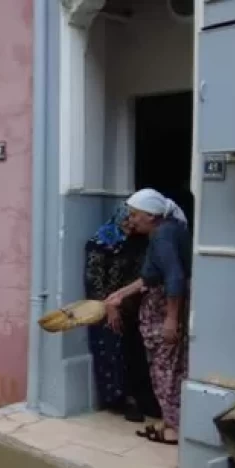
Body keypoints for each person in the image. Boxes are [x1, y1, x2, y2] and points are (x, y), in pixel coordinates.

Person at [103, 188, 192, 445]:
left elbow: (174, 277)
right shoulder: (167, 230)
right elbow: (152, 276)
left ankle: (173, 428)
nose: (132, 219)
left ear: (151, 216)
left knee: (165, 368)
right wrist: (120, 294)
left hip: (164, 308)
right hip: (162, 302)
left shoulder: (163, 235)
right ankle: (168, 420)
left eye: (135, 214)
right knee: (168, 366)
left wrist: (171, 319)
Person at [83, 207, 159, 423]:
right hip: (107, 307)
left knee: (137, 352)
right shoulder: (99, 243)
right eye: (126, 220)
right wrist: (110, 306)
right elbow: (94, 281)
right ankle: (121, 399)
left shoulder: (140, 241)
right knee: (112, 347)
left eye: (132, 220)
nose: (130, 224)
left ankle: (144, 397)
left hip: (133, 305)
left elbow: (145, 274)